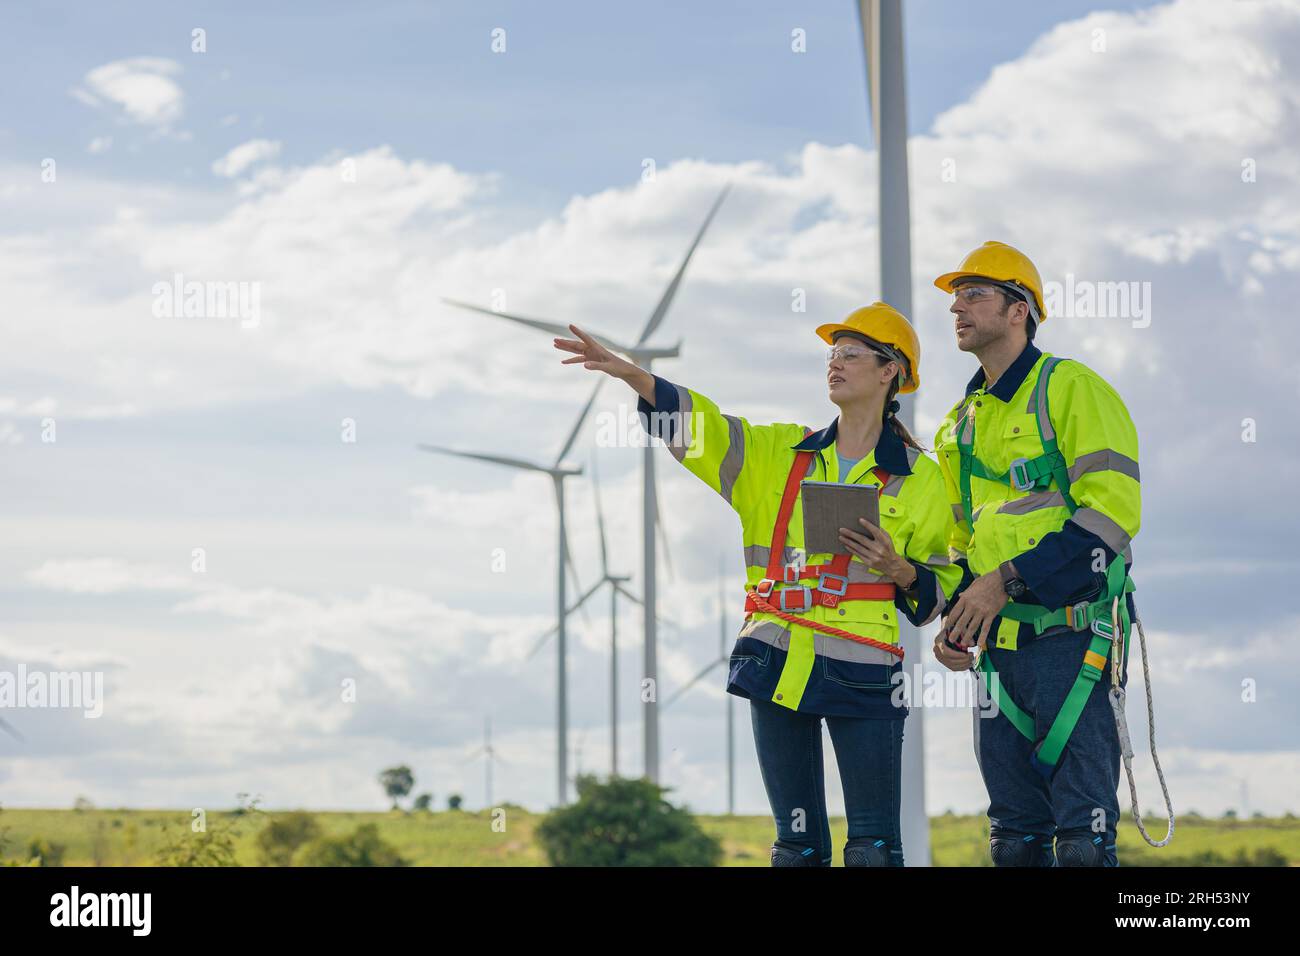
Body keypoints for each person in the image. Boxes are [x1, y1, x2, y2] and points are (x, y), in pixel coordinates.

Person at [554, 303, 961, 866]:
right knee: (796, 851)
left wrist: (903, 571)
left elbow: (941, 588)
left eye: (849, 353)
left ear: (890, 370)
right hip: (775, 662)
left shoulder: (924, 479)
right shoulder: (776, 453)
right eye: (831, 354)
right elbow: (703, 429)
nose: (834, 364)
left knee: (873, 851)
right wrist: (634, 375)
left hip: (866, 672)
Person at [930, 241, 1141, 867]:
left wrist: (1008, 582)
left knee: (1082, 840)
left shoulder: (1071, 388)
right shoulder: (957, 426)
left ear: (1019, 309)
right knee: (1015, 840)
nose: (957, 310)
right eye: (954, 299)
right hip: (999, 656)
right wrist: (958, 620)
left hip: (1073, 642)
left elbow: (1111, 516)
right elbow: (964, 546)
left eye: (974, 295)